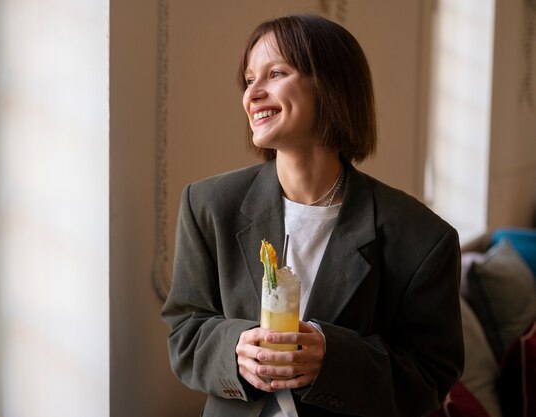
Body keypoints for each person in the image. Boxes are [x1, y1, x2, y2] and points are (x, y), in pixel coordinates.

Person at [161, 13, 463, 417]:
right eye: (250, 79)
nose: (253, 94)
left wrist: (331, 358)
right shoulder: (208, 204)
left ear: (330, 86)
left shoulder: (422, 238)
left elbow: (430, 377)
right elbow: (185, 331)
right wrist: (236, 346)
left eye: (276, 73)